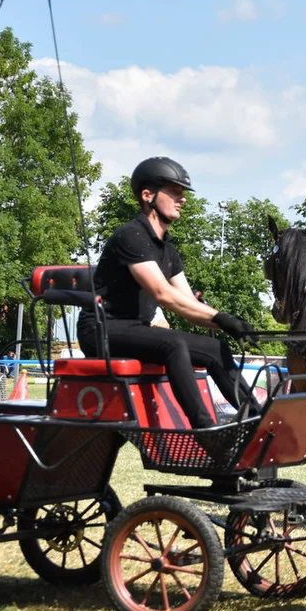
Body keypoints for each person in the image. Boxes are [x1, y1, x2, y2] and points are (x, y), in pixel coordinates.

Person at [77, 156, 260, 429]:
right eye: (174, 192)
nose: (182, 199)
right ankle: (206, 429)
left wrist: (231, 325)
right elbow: (163, 294)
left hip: (136, 329)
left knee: (215, 348)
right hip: (101, 329)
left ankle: (260, 417)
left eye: (182, 193)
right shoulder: (132, 236)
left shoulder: (168, 249)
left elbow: (187, 304)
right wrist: (221, 318)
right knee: (172, 343)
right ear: (148, 195)